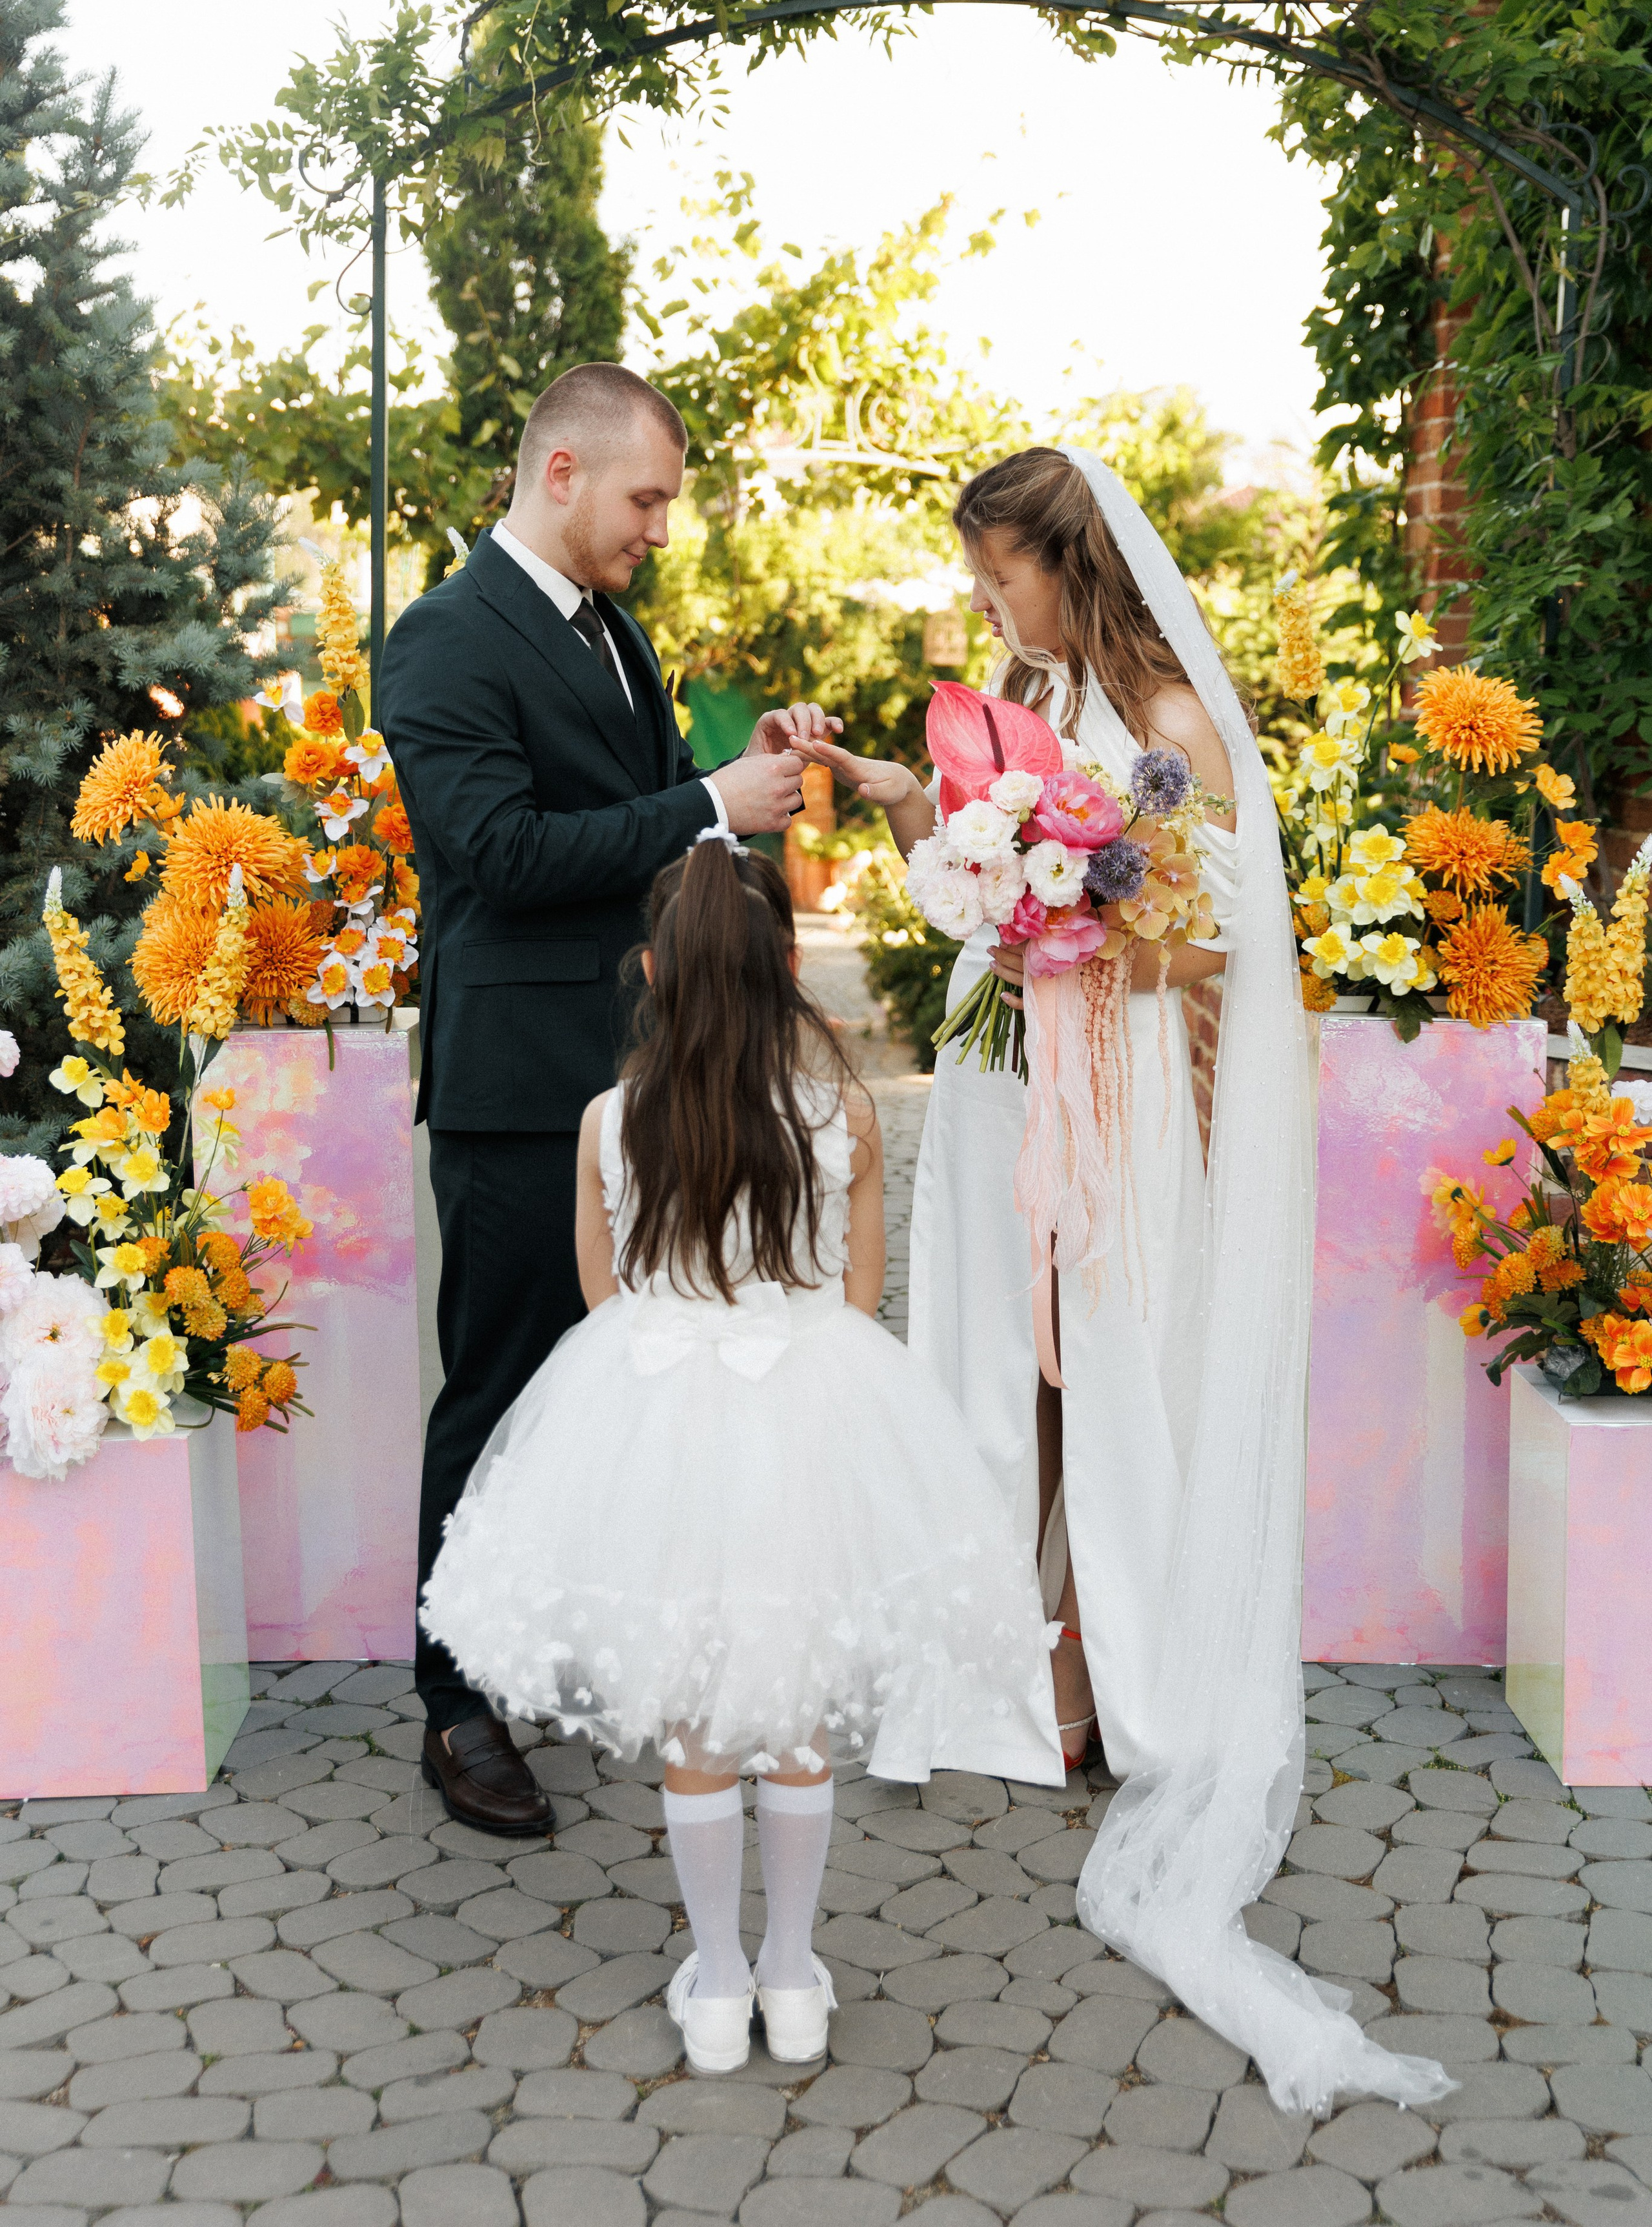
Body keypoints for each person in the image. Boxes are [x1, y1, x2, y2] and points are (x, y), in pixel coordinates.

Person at [805, 447, 1454, 2115]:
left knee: (1098, 1359)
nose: (985, 601)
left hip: (1121, 1093)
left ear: (1069, 563)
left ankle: (1110, 1673)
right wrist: (928, 820)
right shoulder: (1037, 687)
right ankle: (1000, 1667)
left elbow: (1221, 944)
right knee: (991, 1357)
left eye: (1002, 573)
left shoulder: (1170, 721)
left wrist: (1070, 935)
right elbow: (983, 830)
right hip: (1002, 1080)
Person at [420, 835, 1061, 2075]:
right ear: (782, 965)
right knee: (795, 1713)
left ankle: (715, 1985)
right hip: (811, 1410)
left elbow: (604, 1299)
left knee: (696, 1719)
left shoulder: (611, 1122)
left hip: (654, 1420)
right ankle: (792, 1976)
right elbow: (861, 1292)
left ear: (654, 968)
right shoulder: (850, 1113)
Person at [378, 362, 833, 1838]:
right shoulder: (442, 640)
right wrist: (704, 800)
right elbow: (501, 854)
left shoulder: (618, 634)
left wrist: (738, 780)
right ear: (559, 473)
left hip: (644, 1076)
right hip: (521, 1086)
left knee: (637, 1378)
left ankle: (578, 1644)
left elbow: (641, 832)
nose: (657, 527)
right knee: (502, 1379)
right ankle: (455, 1704)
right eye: (644, 498)